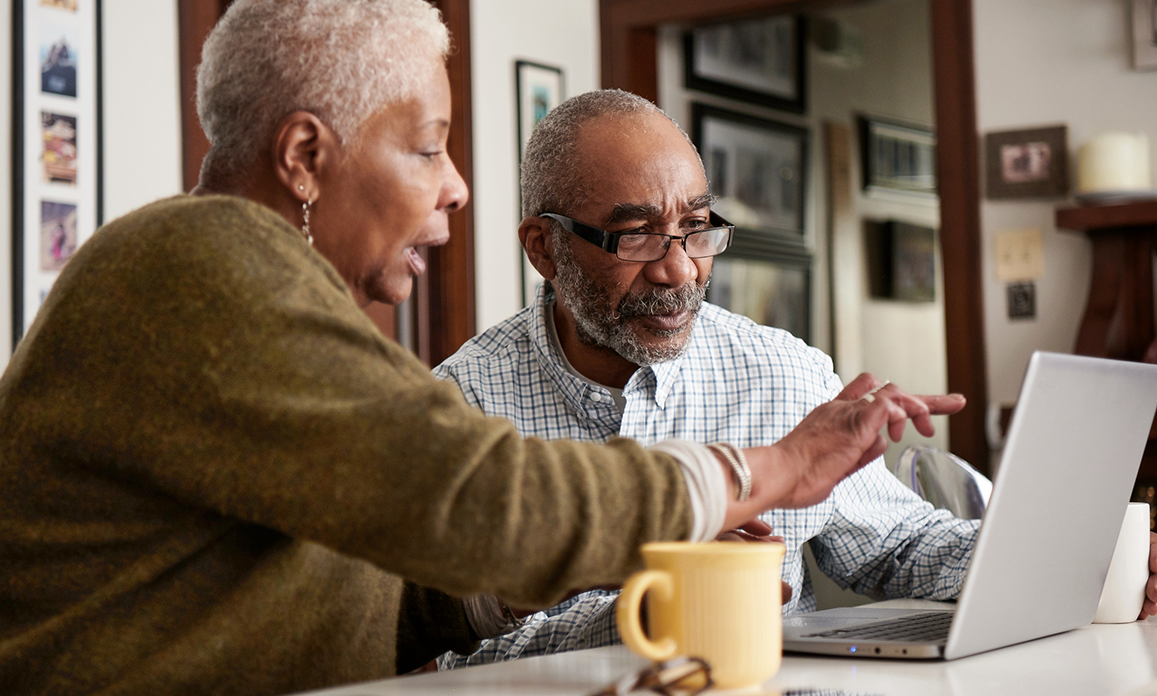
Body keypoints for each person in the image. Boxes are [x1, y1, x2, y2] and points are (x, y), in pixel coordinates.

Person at [0, 0, 960, 695]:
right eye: (427, 147)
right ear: (306, 156)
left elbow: (400, 595)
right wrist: (765, 470)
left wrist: (623, 576)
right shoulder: (198, 263)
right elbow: (483, 500)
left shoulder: (294, 308)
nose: (456, 189)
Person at [433, 89, 1156, 667]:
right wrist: (641, 613)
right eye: (635, 236)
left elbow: (897, 546)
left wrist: (1085, 560)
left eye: (695, 226)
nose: (679, 269)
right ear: (543, 248)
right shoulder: (456, 409)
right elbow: (448, 648)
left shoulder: (777, 371)